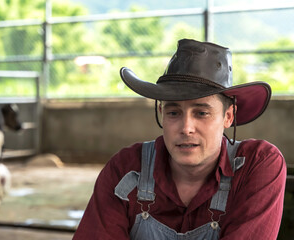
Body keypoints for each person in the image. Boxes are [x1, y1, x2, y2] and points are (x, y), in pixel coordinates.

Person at [73, 39, 286, 240]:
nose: (186, 128)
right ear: (161, 113)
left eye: (201, 113)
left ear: (228, 116)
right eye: (174, 112)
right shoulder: (126, 170)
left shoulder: (257, 164)